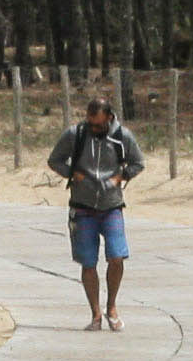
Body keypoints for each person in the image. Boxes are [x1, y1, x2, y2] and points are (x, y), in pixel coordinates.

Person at [47, 95, 142, 330]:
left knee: (117, 256)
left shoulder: (122, 137)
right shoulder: (75, 135)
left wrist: (121, 177)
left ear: (109, 119)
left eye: (99, 125)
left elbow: (138, 163)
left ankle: (112, 306)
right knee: (88, 262)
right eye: (91, 123)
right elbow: (54, 160)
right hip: (82, 207)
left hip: (112, 206)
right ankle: (96, 315)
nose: (94, 128)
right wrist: (72, 173)